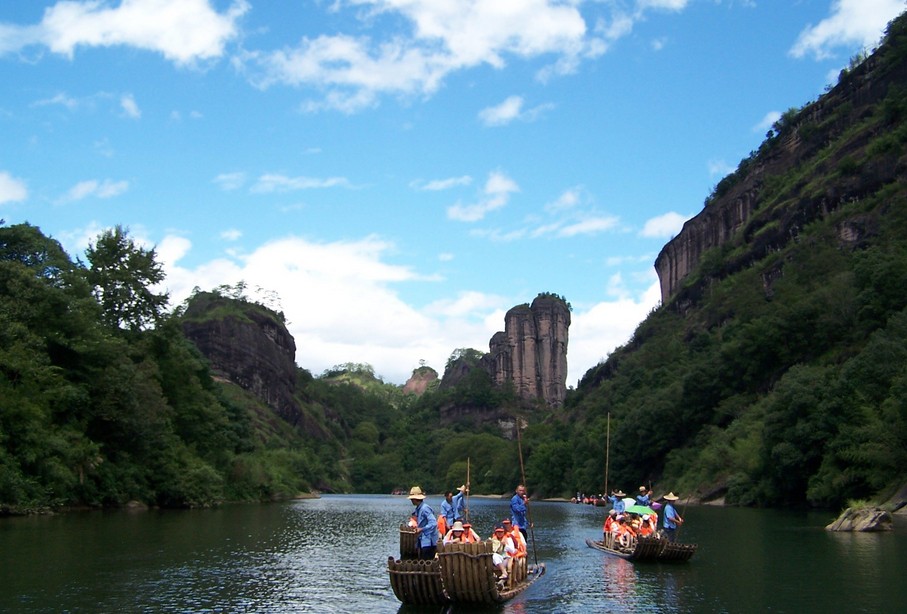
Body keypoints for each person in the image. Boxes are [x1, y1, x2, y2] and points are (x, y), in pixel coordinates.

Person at [408, 486, 438, 559]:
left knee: (427, 562)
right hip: (423, 541)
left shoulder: (425, 508)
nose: (411, 501)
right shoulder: (418, 509)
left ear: (416, 499)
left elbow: (433, 523)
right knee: (422, 561)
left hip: (428, 542)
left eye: (412, 499)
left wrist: (422, 529)